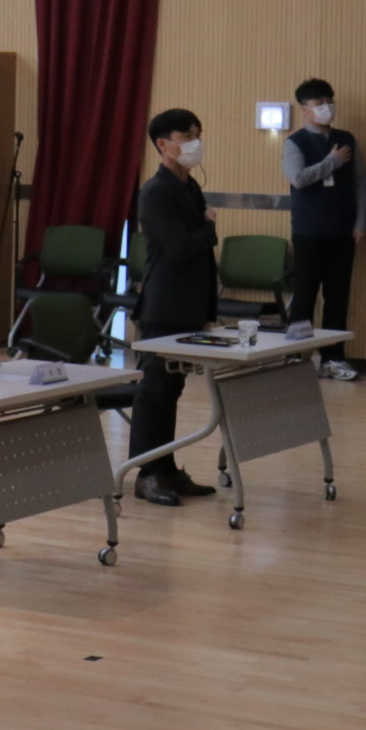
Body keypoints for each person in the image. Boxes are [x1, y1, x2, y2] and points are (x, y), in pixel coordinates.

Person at [129, 108, 221, 508]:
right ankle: (146, 474)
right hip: (163, 306)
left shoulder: (190, 186)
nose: (195, 143)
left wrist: (208, 308)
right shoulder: (156, 191)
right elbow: (181, 247)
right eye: (186, 136)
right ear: (163, 144)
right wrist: (209, 227)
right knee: (154, 391)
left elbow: (200, 256)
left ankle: (167, 468)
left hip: (188, 304)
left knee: (172, 390)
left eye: (197, 134)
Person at [281, 78, 366, 379]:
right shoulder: (295, 143)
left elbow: (360, 182)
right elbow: (299, 178)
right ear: (305, 109)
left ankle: (333, 358)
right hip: (308, 230)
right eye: (319, 104)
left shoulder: (346, 138)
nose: (326, 108)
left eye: (329, 102)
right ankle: (296, 357)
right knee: (305, 297)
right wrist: (331, 162)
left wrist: (361, 222)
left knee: (338, 298)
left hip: (342, 231)